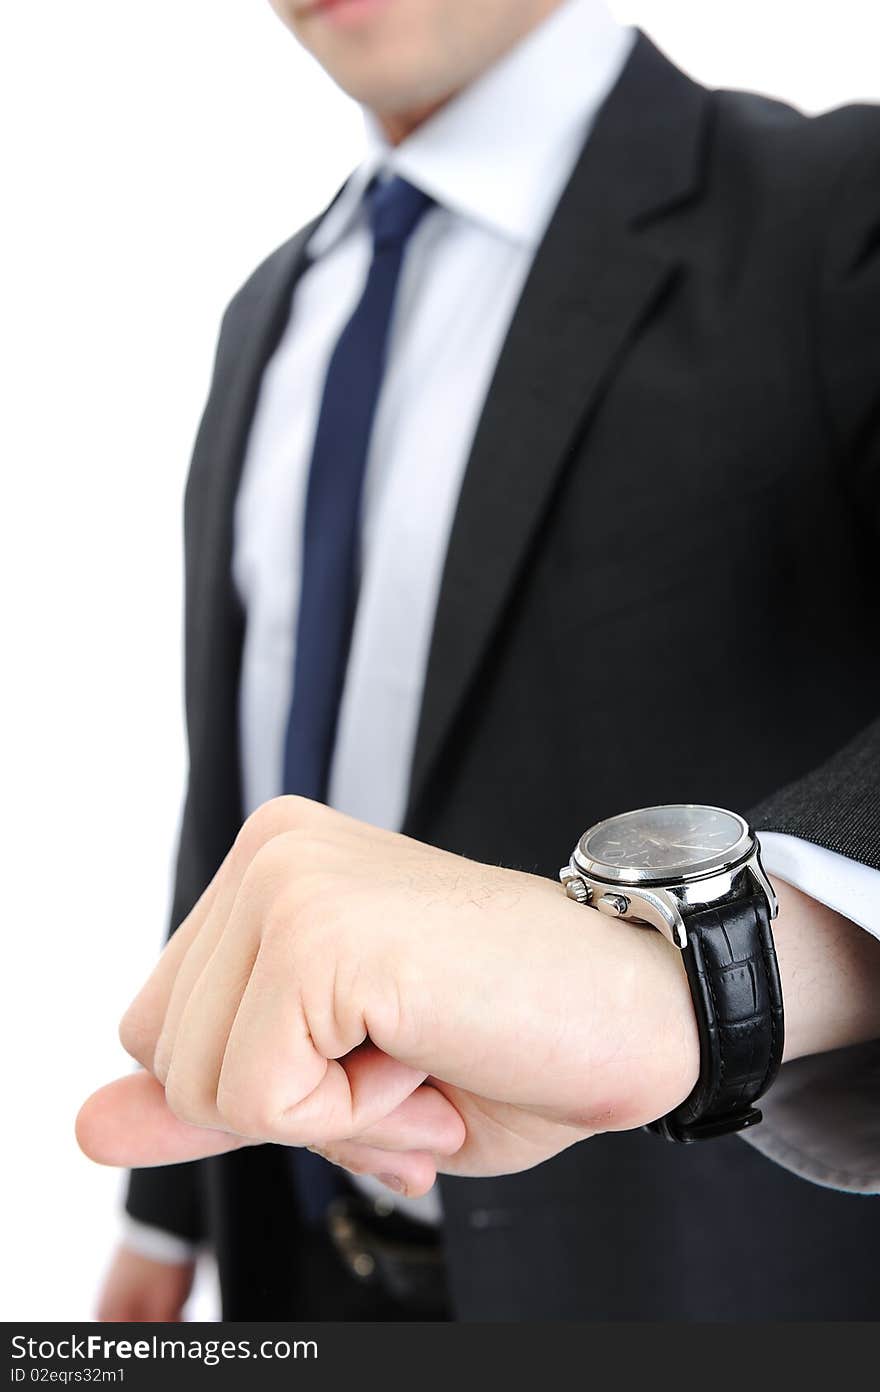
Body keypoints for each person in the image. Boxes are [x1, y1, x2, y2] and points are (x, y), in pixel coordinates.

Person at [79, 0, 880, 1321]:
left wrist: (695, 970)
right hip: (300, 1270)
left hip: (698, 1284)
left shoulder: (833, 214)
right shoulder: (271, 309)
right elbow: (245, 790)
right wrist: (166, 1215)